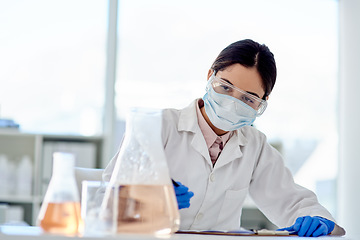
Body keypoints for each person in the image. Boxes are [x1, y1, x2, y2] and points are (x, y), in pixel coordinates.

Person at [103, 39, 345, 237]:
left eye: (248, 99)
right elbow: (107, 199)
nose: (232, 103)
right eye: (225, 87)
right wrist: (145, 199)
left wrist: (318, 219)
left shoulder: (255, 145)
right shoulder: (159, 126)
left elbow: (292, 201)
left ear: (262, 103)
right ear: (210, 76)